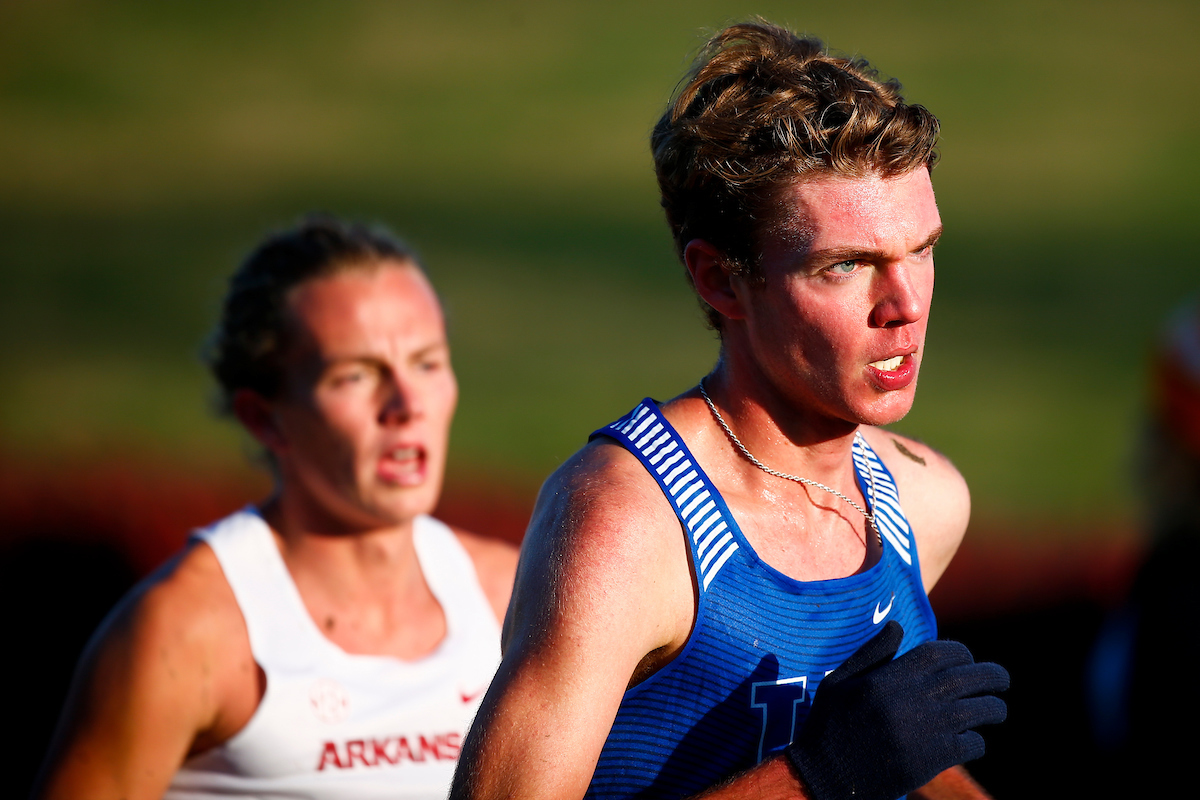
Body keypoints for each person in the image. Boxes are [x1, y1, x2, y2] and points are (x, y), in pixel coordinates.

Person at [452, 21, 1007, 800]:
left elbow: (897, 755)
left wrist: (877, 757)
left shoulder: (925, 501)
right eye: (846, 265)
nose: (906, 305)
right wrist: (818, 776)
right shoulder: (629, 528)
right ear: (720, 280)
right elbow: (849, 757)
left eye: (922, 248)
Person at [33, 216, 519, 800]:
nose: (407, 404)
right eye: (357, 375)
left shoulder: (511, 594)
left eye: (427, 363)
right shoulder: (185, 632)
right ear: (264, 418)